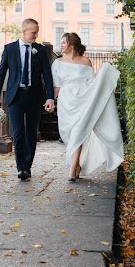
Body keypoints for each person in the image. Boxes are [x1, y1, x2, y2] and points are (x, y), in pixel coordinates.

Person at [51, 32, 123, 182]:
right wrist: (51, 100)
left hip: (84, 99)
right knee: (71, 133)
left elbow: (91, 83)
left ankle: (73, 167)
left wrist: (102, 73)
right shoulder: (57, 63)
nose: (61, 45)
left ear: (71, 44)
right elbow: (57, 85)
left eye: (64, 42)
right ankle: (77, 165)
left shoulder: (86, 61)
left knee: (80, 129)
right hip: (66, 101)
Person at [0, 18, 55, 180]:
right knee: (18, 133)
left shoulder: (40, 50)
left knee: (31, 132)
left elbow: (47, 75)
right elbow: (0, 75)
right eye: (33, 32)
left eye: (37, 32)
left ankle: (28, 165)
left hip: (34, 97)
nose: (36, 35)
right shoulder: (10, 49)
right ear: (24, 31)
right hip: (15, 97)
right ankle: (21, 168)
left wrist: (50, 97)